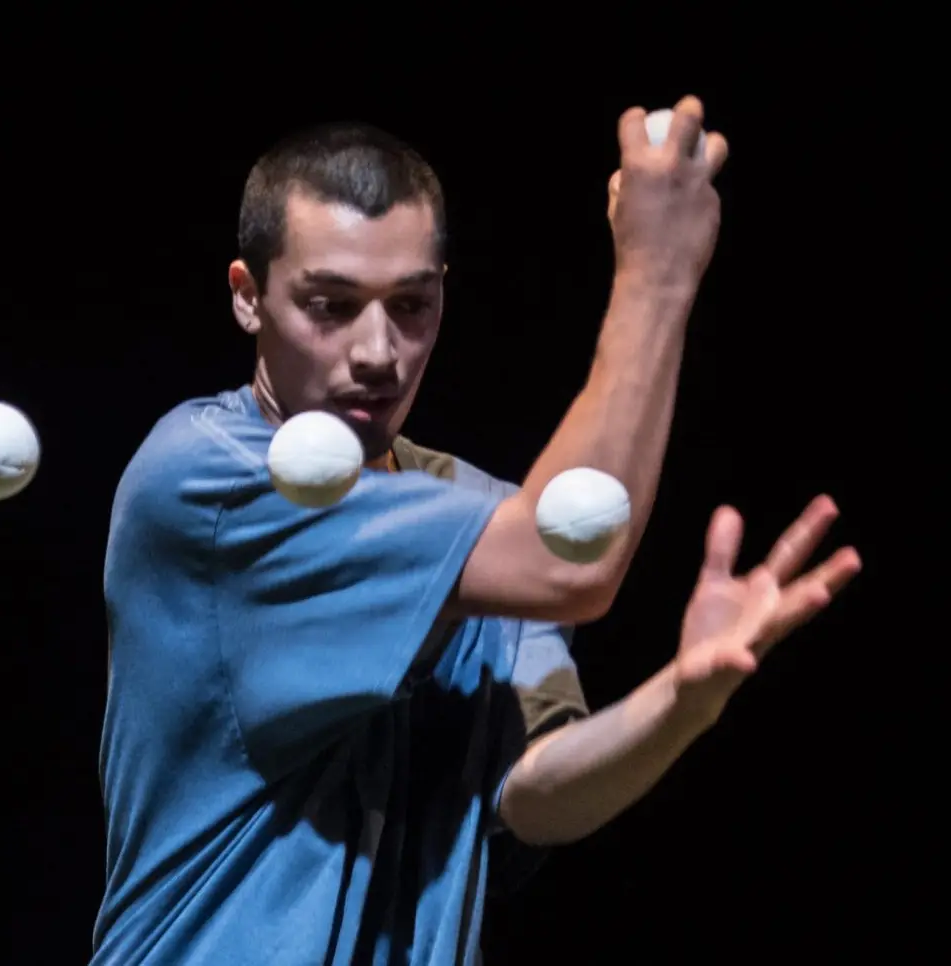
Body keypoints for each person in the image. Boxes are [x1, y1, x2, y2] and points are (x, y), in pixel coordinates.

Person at [92, 98, 861, 965]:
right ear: (248, 298)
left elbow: (534, 795)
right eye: (330, 304)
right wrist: (657, 274)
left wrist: (681, 701)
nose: (378, 352)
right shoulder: (208, 480)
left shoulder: (468, 517)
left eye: (411, 305)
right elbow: (568, 556)